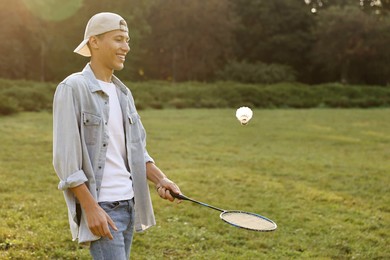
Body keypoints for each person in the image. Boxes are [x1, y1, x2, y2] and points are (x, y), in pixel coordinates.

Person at [52, 12, 181, 259]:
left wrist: (161, 179)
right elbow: (66, 160)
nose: (126, 47)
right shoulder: (73, 88)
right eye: (119, 39)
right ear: (94, 42)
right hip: (103, 208)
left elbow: (136, 150)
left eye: (127, 40)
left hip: (130, 204)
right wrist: (91, 209)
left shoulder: (123, 93)